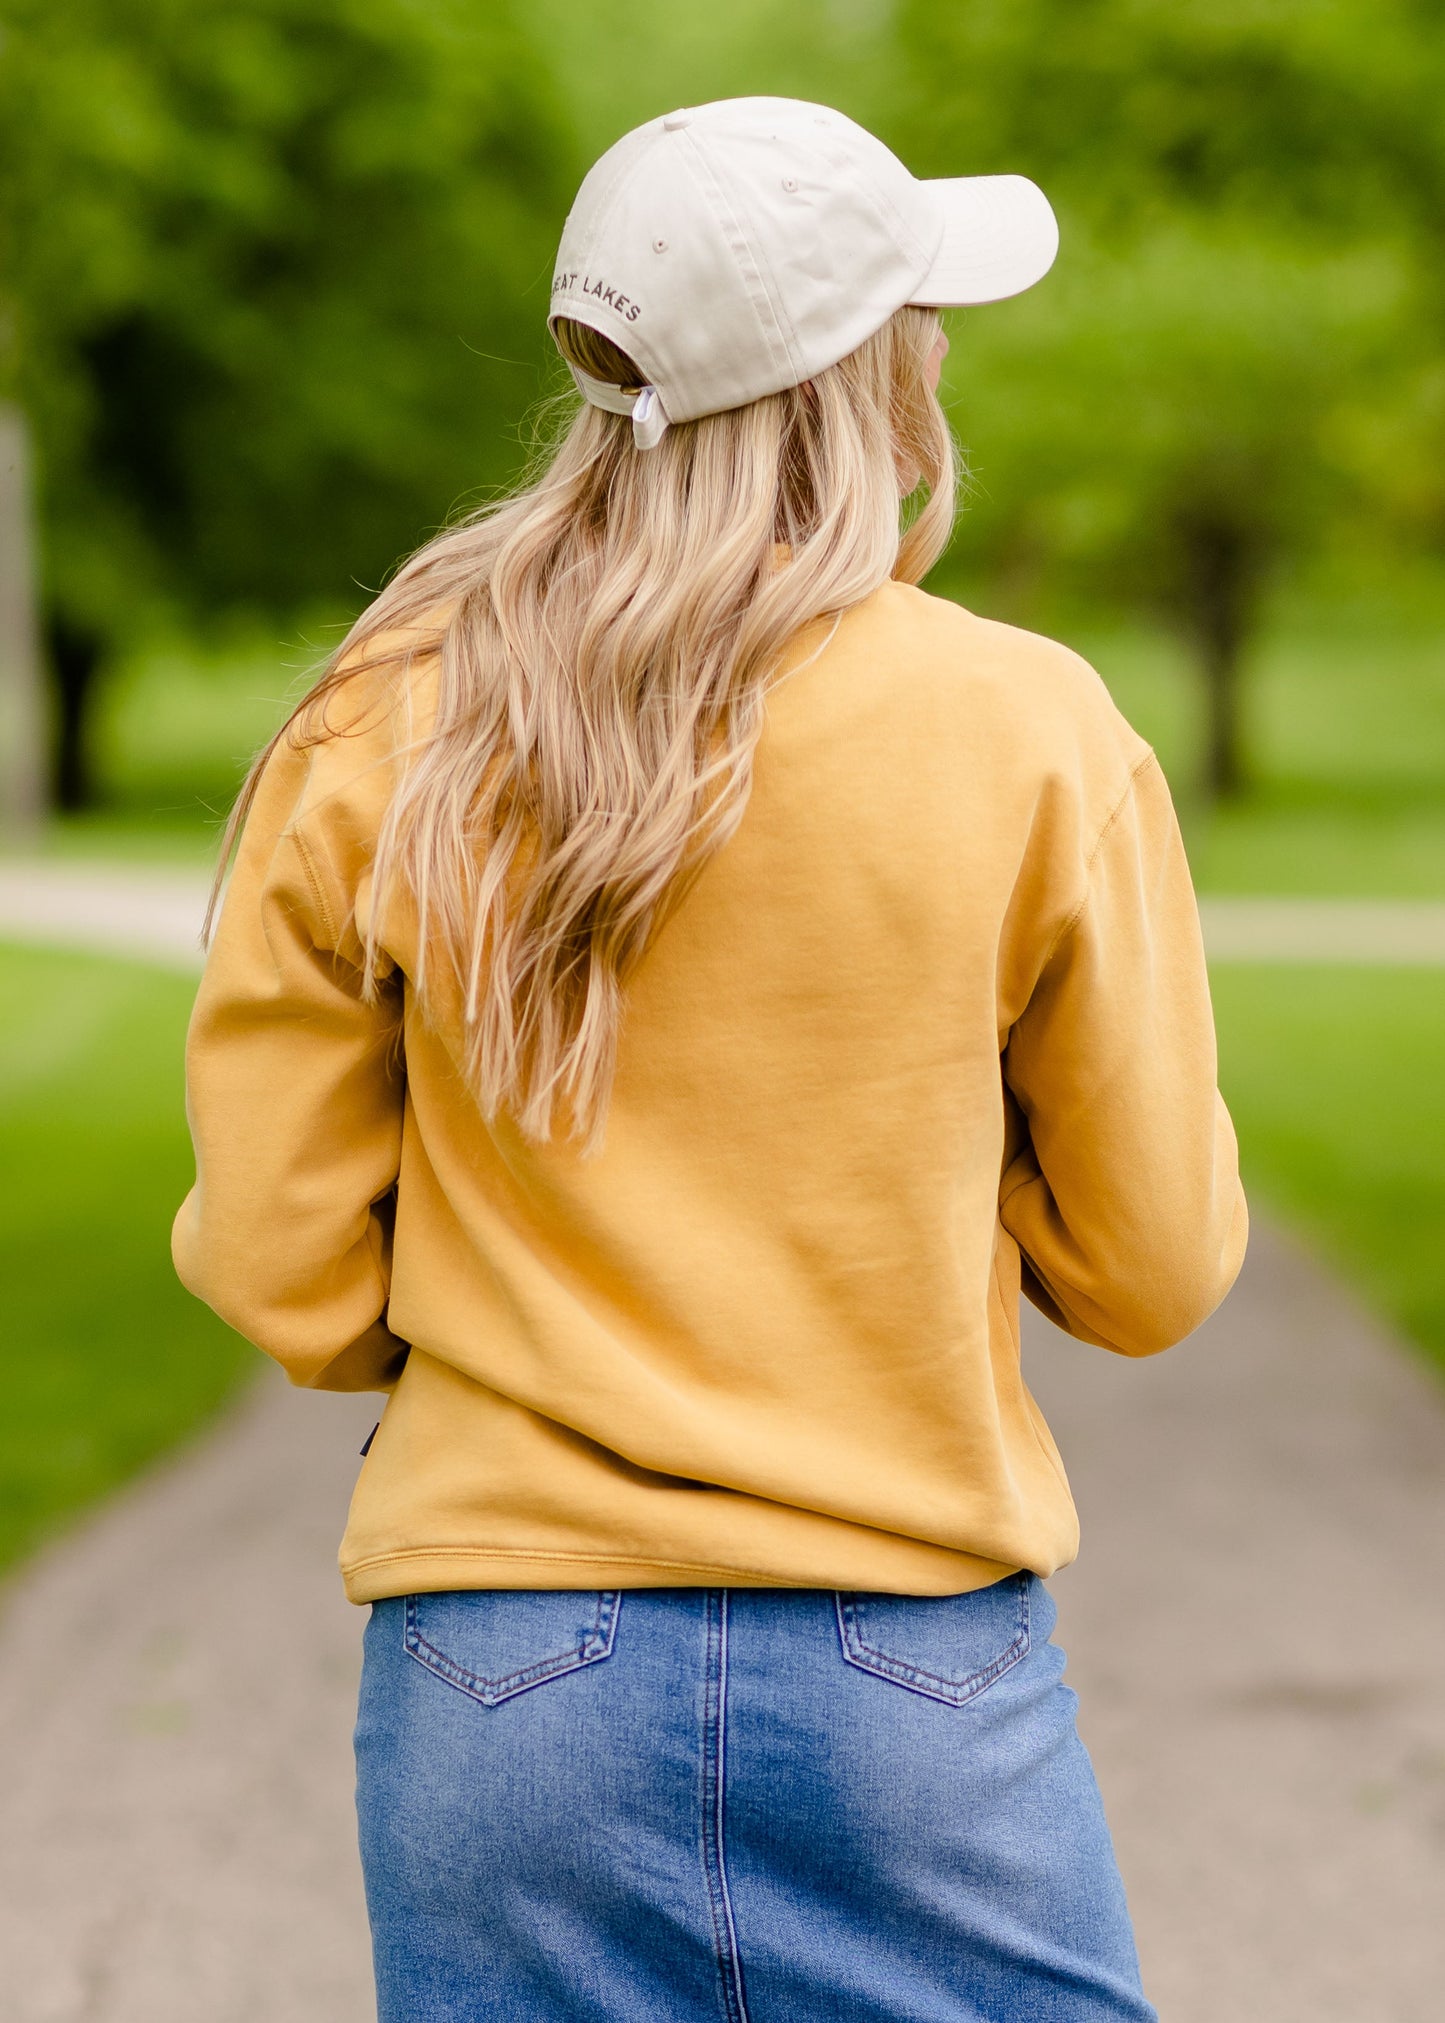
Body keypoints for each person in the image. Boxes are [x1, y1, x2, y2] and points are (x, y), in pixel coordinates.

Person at [174, 97, 1247, 2023]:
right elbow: (1148, 1272)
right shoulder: (1027, 729)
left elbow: (286, 1271)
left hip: (500, 1681)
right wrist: (942, 1170)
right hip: (904, 1669)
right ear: (874, 380)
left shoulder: (382, 716)